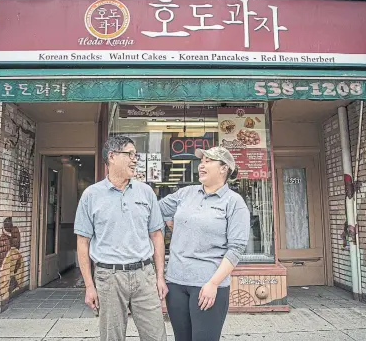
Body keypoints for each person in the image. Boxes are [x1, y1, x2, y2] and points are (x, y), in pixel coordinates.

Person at [74, 136, 168, 341]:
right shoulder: (91, 195)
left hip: (144, 275)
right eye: (130, 154)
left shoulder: (146, 192)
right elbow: (83, 243)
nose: (135, 160)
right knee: (112, 337)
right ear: (112, 156)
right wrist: (89, 286)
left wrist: (160, 276)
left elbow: (157, 236)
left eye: (136, 155)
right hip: (109, 277)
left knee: (156, 335)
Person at [159, 146, 251, 341]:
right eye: (202, 161)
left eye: (209, 161)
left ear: (224, 168)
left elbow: (236, 249)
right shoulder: (186, 193)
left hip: (208, 286)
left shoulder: (234, 202)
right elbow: (155, 210)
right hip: (176, 283)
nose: (202, 165)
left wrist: (213, 283)